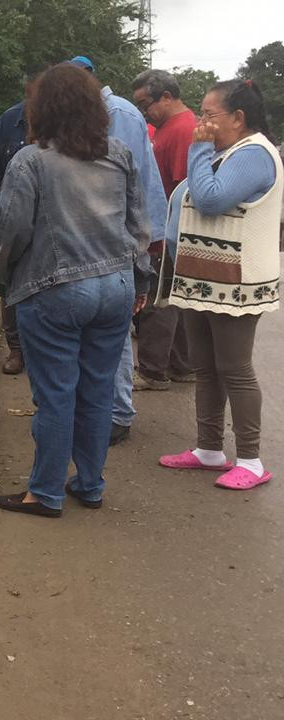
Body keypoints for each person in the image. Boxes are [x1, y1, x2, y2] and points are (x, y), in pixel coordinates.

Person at [0, 64, 153, 517]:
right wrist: (140, 280)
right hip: (115, 288)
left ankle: (44, 493)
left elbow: (13, 232)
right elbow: (139, 228)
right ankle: (90, 485)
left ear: (42, 109)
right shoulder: (119, 154)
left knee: (56, 394)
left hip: (56, 291)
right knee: (97, 392)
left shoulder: (31, 160)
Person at [156, 79, 282, 491]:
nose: (201, 123)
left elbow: (210, 200)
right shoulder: (227, 152)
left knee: (234, 369)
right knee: (205, 366)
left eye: (209, 115)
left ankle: (251, 459)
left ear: (238, 118)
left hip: (235, 284)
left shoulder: (254, 154)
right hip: (205, 280)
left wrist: (197, 149)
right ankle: (209, 448)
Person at [66, 55, 167, 447]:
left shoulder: (117, 114)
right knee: (108, 326)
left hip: (120, 237)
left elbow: (122, 185)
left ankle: (117, 412)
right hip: (112, 236)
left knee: (114, 329)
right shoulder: (99, 113)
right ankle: (104, 409)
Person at [132, 69, 200, 391]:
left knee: (158, 300)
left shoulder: (183, 130)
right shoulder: (170, 128)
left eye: (146, 104)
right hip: (167, 227)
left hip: (169, 229)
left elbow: (184, 189)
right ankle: (181, 365)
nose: (144, 112)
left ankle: (152, 371)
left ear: (167, 97)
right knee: (175, 299)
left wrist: (164, 235)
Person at [0, 78, 36, 375]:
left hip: (48, 221)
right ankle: (16, 349)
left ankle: (38, 348)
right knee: (8, 282)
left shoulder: (65, 123)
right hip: (10, 216)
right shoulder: (7, 122)